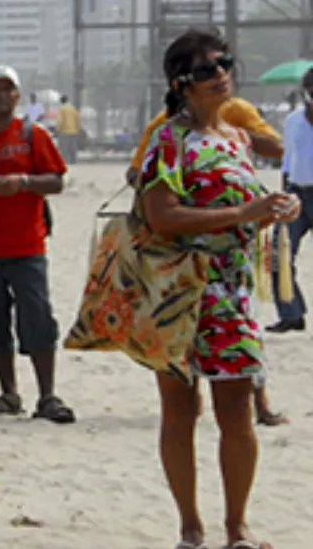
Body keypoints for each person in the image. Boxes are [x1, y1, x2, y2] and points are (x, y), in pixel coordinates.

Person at [140, 28, 294, 549]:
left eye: (224, 62)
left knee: (238, 412)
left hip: (231, 293)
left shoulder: (238, 138)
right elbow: (162, 216)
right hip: (179, 291)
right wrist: (242, 212)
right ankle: (190, 527)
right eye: (206, 68)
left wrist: (273, 210)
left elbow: (245, 207)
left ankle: (237, 526)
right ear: (182, 82)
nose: (221, 73)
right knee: (181, 412)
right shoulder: (169, 139)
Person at [0, 65, 75, 424]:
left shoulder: (32, 135)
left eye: (6, 88)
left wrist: (24, 182)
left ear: (16, 96)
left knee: (37, 319)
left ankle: (47, 395)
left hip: (27, 246)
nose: (0, 95)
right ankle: (9, 393)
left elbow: (56, 181)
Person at [126, 95, 283, 185]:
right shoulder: (167, 123)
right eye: (206, 71)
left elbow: (277, 148)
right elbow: (135, 172)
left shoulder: (237, 110)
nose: (220, 74)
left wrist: (230, 135)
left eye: (224, 66)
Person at [267, 68, 313, 333]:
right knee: (279, 255)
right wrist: (284, 194)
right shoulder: (294, 120)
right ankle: (291, 313)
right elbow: (288, 160)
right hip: (297, 194)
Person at [55, 95, 81, 164]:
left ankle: (65, 161)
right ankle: (74, 160)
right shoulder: (73, 108)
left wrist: (57, 129)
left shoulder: (62, 109)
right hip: (73, 130)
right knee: (72, 147)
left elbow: (60, 120)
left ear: (61, 101)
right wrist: (77, 128)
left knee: (64, 148)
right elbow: (77, 118)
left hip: (64, 131)